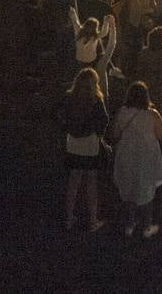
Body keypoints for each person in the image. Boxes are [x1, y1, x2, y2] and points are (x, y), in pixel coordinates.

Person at [111, 81, 162, 239]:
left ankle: (129, 224)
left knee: (128, 189)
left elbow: (115, 134)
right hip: (146, 157)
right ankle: (147, 225)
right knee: (146, 190)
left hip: (126, 156)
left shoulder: (122, 112)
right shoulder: (152, 114)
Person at [61, 68, 109, 232]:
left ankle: (68, 218)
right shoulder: (96, 99)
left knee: (73, 183)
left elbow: (61, 117)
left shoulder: (69, 98)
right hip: (90, 145)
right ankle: (92, 220)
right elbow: (103, 121)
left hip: (73, 143)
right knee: (91, 183)